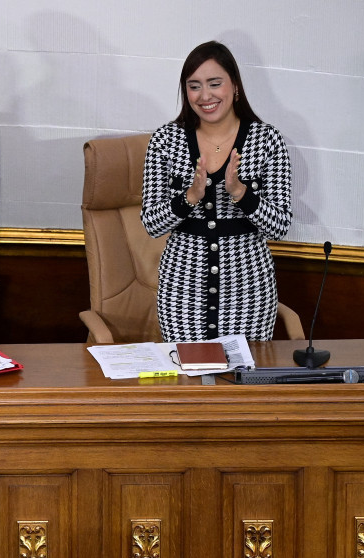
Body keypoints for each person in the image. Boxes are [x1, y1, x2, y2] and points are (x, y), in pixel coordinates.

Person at [140, 41, 293, 342]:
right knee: (189, 381)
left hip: (249, 289)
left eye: (214, 83)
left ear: (234, 86)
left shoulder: (267, 140)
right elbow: (151, 224)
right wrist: (189, 199)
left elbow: (280, 226)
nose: (205, 95)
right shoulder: (165, 140)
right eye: (194, 86)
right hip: (182, 288)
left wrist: (241, 193)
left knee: (243, 381)